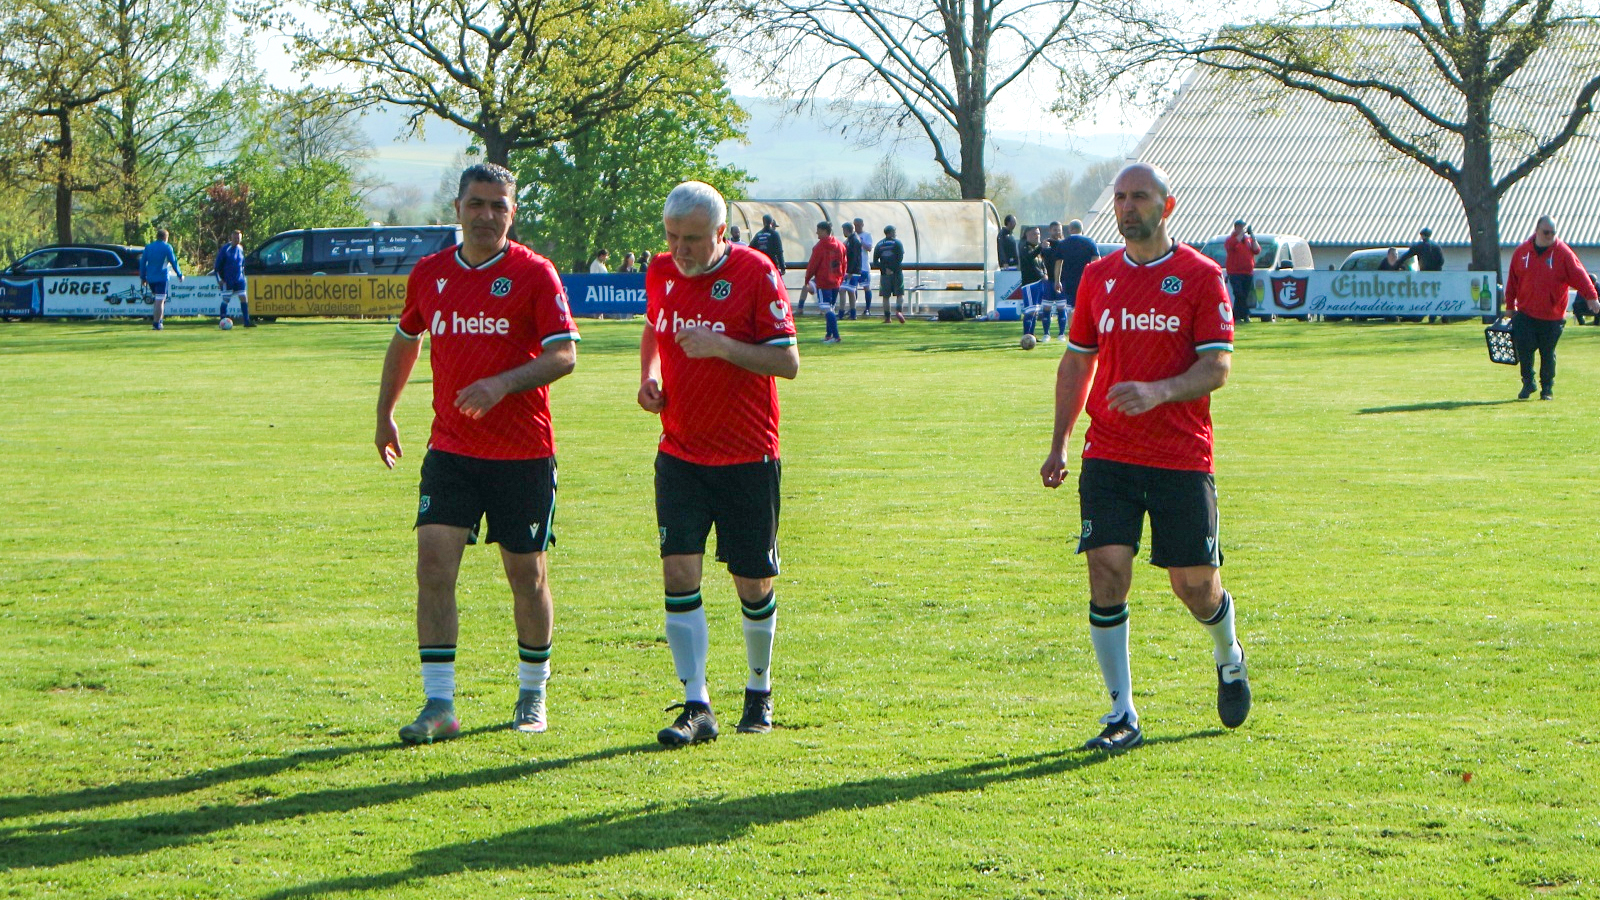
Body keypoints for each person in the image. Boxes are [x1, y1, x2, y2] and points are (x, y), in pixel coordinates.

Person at [1039, 162, 1251, 753]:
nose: (1127, 207)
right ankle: (1121, 713)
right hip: (1109, 453)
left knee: (1195, 588)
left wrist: (1159, 391)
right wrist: (1059, 443)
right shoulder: (1098, 276)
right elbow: (1077, 362)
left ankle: (1228, 653)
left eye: (1139, 196)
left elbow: (1218, 366)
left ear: (1167, 205)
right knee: (1107, 572)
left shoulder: (1202, 276)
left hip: (1182, 457)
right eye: (1120, 198)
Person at [375, 162, 580, 743]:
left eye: (498, 206)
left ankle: (532, 694)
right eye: (477, 204)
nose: (487, 215)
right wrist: (385, 413)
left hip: (523, 454)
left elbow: (564, 355)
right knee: (433, 566)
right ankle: (439, 705)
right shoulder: (431, 273)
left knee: (526, 574)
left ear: (512, 213)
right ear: (458, 208)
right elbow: (406, 339)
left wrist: (501, 384)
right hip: (452, 450)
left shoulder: (535, 273)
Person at [638, 180, 800, 746]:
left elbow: (788, 362)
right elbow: (653, 326)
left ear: (721, 233)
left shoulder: (756, 272)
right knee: (679, 573)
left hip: (747, 455)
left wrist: (721, 346)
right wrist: (649, 376)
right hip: (680, 452)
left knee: (751, 581)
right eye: (672, 237)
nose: (679, 250)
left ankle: (759, 691)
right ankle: (696, 704)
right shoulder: (660, 271)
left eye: (693, 239)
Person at [1504, 215, 1598, 400]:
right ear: (1537, 231)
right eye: (1546, 232)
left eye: (1553, 233)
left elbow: (1579, 275)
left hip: (1552, 316)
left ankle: (1547, 388)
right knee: (1524, 348)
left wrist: (1592, 297)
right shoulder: (1522, 252)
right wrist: (1509, 306)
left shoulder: (1563, 253)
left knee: (1547, 353)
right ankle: (1528, 382)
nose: (1550, 236)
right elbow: (1512, 282)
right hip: (1526, 312)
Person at [1052, 219, 1100, 336]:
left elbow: (1058, 263)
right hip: (1087, 281)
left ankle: (1073, 333)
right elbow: (1097, 261)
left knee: (1071, 308)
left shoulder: (1063, 243)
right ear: (1081, 229)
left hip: (1070, 281)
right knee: (1088, 307)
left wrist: (1057, 281)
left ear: (1070, 229)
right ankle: (1089, 332)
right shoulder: (1090, 242)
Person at [805, 222, 847, 342]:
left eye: (818, 230)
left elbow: (813, 264)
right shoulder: (840, 245)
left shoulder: (819, 247)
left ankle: (836, 336)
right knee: (831, 308)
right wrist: (841, 278)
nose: (816, 232)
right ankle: (828, 335)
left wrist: (807, 279)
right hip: (836, 281)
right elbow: (844, 263)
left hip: (824, 282)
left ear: (824, 231)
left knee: (827, 309)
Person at [140, 227, 183, 331]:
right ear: (165, 237)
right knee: (160, 301)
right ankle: (156, 324)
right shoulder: (167, 247)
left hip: (151, 278)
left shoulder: (149, 247)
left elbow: (142, 263)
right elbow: (173, 261)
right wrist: (179, 274)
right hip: (162, 277)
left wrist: (143, 277)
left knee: (158, 300)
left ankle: (160, 321)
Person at [1222, 219, 1260, 324]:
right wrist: (1241, 234)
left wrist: (1252, 236)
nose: (1242, 229)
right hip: (1235, 272)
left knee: (1245, 294)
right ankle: (1243, 315)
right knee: (1239, 294)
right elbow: (1232, 245)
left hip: (1247, 272)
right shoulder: (1230, 240)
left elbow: (1257, 250)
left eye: (1243, 227)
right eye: (1240, 227)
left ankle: (1240, 316)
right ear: (1236, 228)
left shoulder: (1248, 240)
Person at [213, 230, 253, 327]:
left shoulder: (240, 248)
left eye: (238, 238)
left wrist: (243, 276)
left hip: (239, 279)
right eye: (235, 238)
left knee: (243, 297)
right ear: (231, 238)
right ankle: (222, 320)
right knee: (226, 299)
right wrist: (219, 279)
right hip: (228, 279)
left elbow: (242, 265)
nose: (237, 239)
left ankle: (247, 321)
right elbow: (217, 266)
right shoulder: (225, 249)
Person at [872, 224, 908, 323]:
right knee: (900, 294)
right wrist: (893, 269)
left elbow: (875, 261)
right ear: (891, 233)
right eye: (894, 232)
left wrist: (885, 269)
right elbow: (900, 258)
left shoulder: (879, 244)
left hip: (885, 274)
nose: (895, 234)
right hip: (897, 272)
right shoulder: (897, 243)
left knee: (885, 296)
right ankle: (899, 311)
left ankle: (887, 317)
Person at [1038, 222, 1067, 341]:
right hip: (1049, 281)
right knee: (1047, 308)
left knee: (1061, 308)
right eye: (1055, 230)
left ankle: (1061, 334)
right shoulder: (1045, 245)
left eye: (1059, 230)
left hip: (1062, 281)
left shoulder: (1064, 244)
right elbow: (1038, 261)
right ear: (1050, 231)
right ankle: (1046, 334)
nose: (1057, 232)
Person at [1020, 226, 1048, 338]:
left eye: (1038, 234)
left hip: (1039, 283)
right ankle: (1026, 335)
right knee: (1030, 311)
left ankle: (1031, 335)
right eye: (1034, 234)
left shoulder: (1038, 248)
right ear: (1027, 235)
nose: (1037, 236)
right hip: (1030, 284)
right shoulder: (1024, 247)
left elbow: (1041, 264)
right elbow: (1029, 258)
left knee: (1035, 311)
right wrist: (1041, 247)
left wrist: (1045, 273)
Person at [852, 218, 874, 316]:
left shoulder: (867, 235)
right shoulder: (852, 236)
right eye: (855, 225)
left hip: (864, 266)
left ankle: (867, 309)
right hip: (854, 266)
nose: (857, 227)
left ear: (862, 225)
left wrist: (860, 241)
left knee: (866, 287)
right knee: (853, 288)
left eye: (858, 225)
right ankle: (853, 308)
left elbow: (869, 248)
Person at [841, 222, 862, 320]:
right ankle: (851, 313)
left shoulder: (854, 240)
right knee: (849, 291)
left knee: (845, 290)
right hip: (852, 270)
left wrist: (850, 271)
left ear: (847, 230)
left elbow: (854, 257)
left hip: (852, 271)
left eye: (843, 230)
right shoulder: (850, 239)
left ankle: (845, 313)